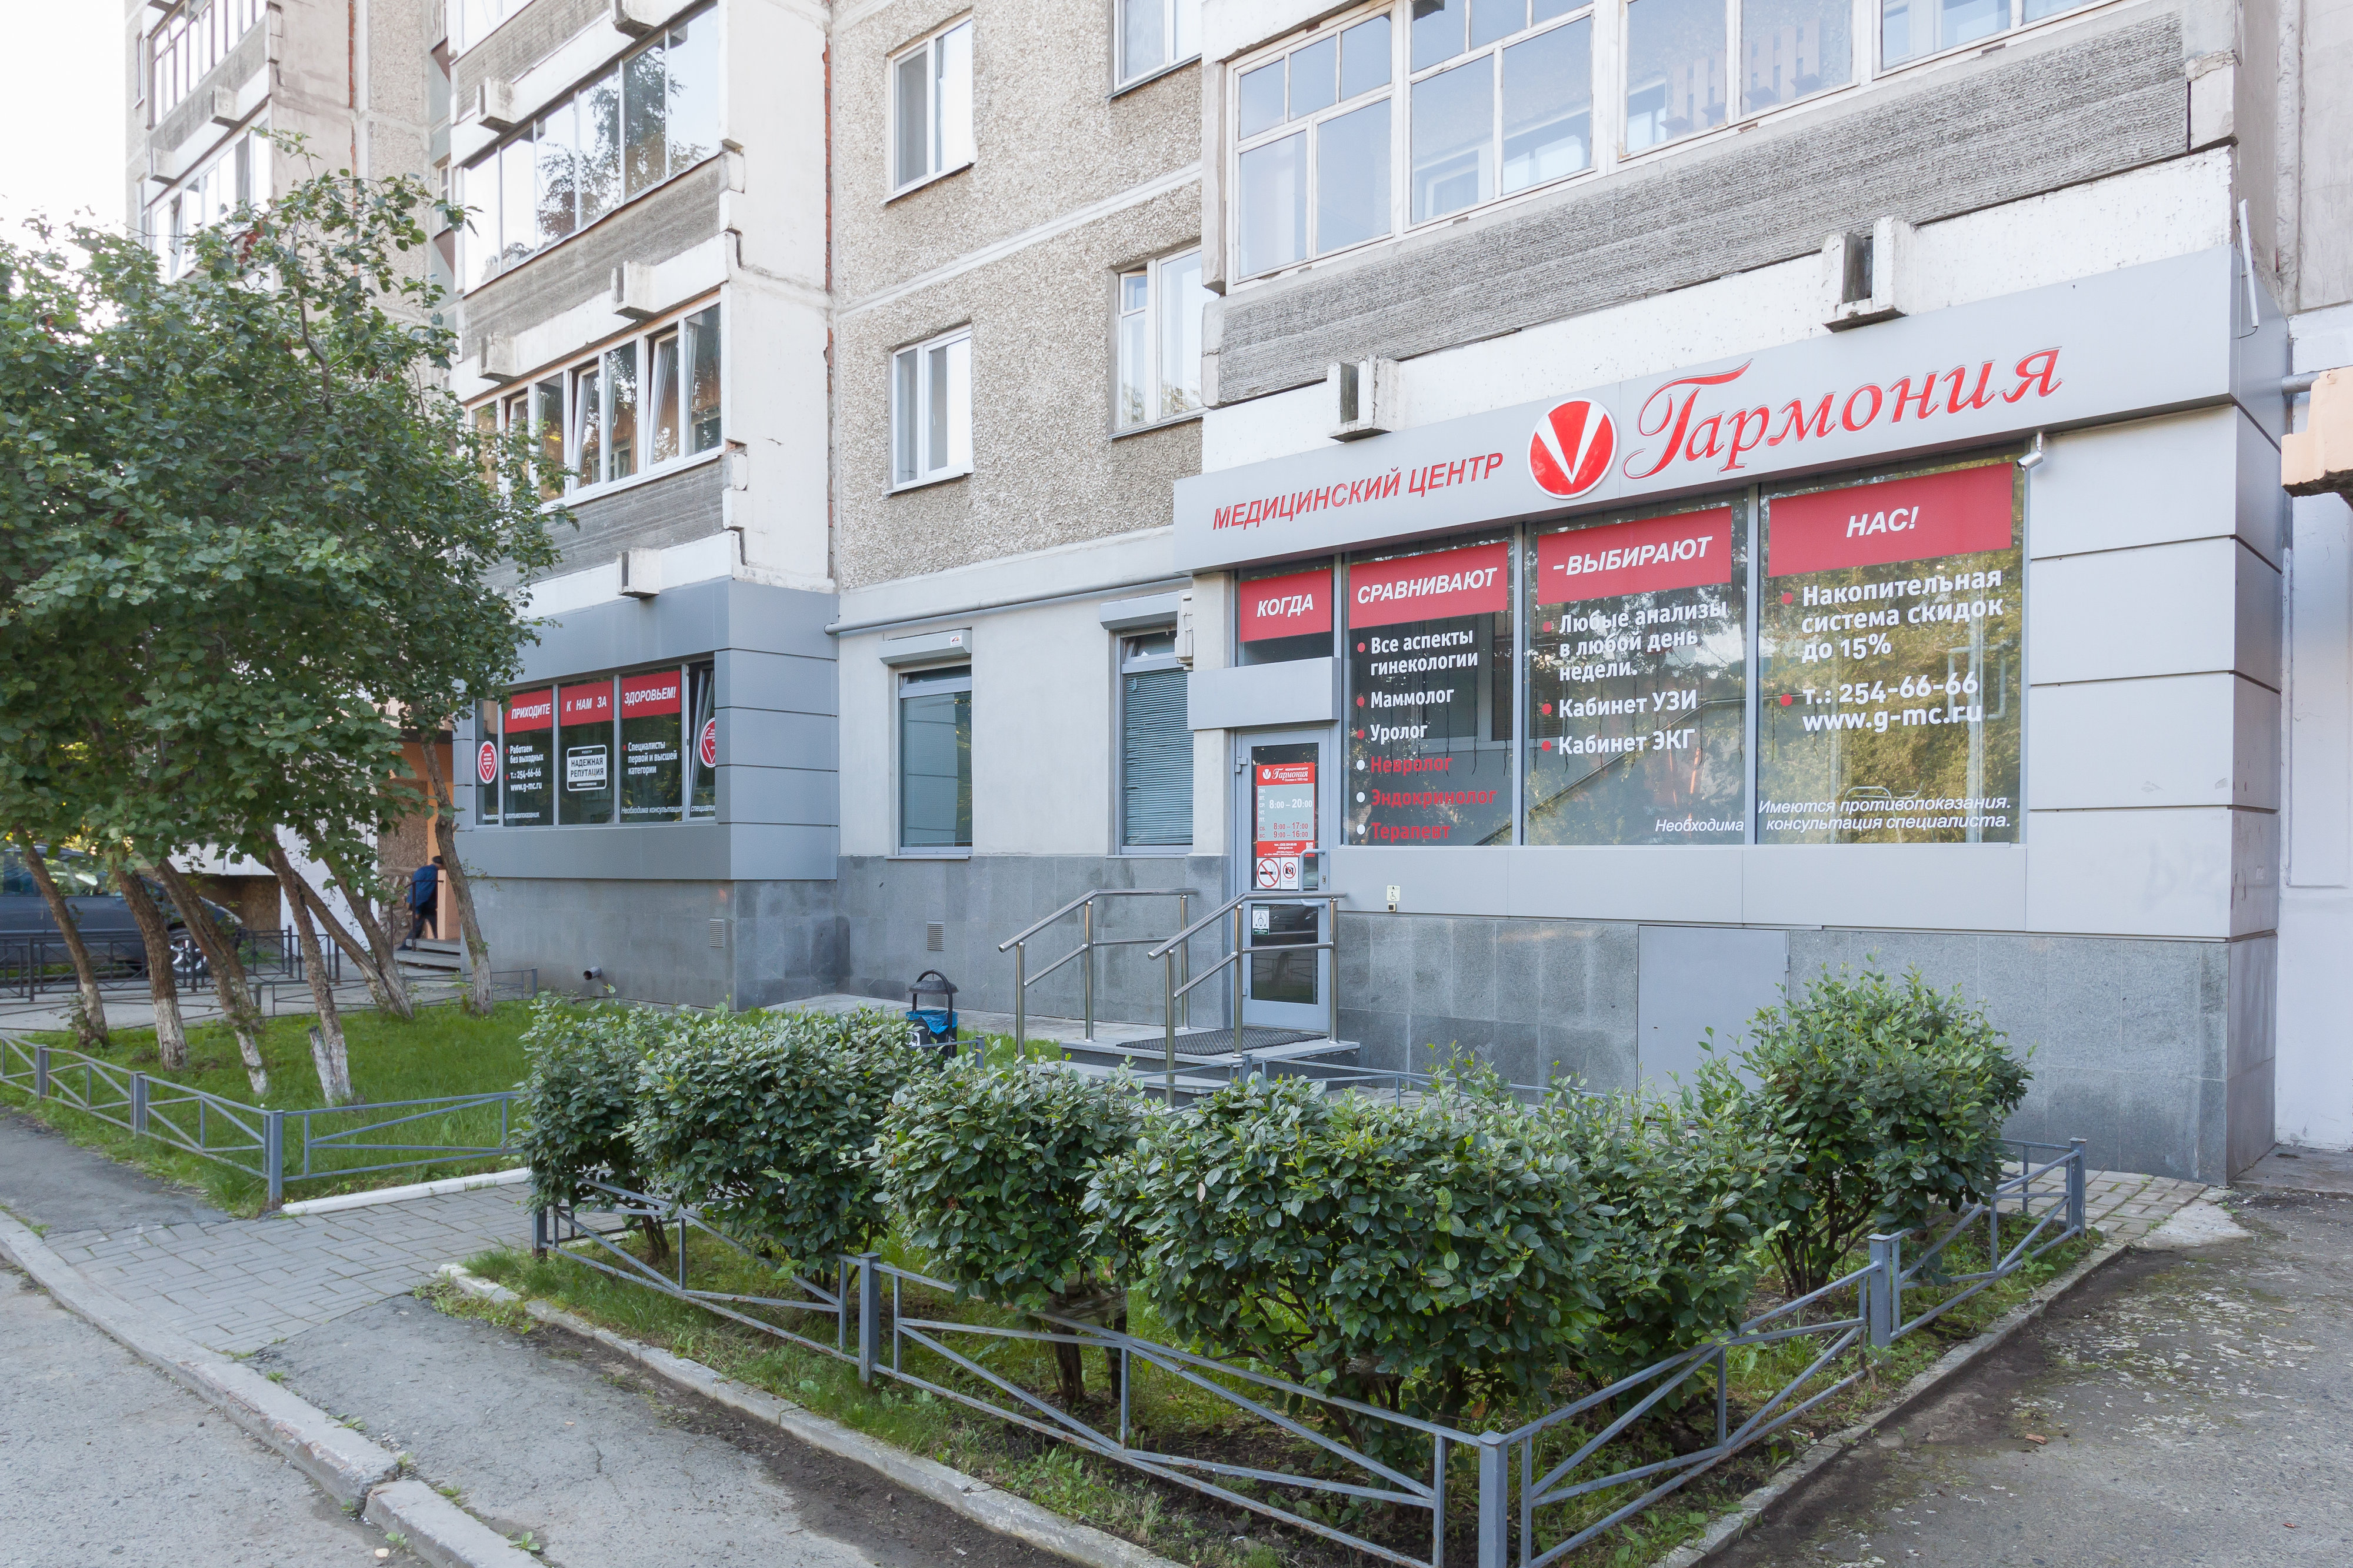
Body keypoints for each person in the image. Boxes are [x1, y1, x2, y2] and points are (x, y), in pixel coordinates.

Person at [406, 857, 441, 947]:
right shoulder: (433, 873)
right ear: (442, 865)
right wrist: (418, 910)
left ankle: (407, 947)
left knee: (419, 928)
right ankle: (405, 948)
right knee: (420, 928)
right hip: (424, 905)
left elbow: (415, 888)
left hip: (418, 903)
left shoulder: (423, 870)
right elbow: (423, 893)